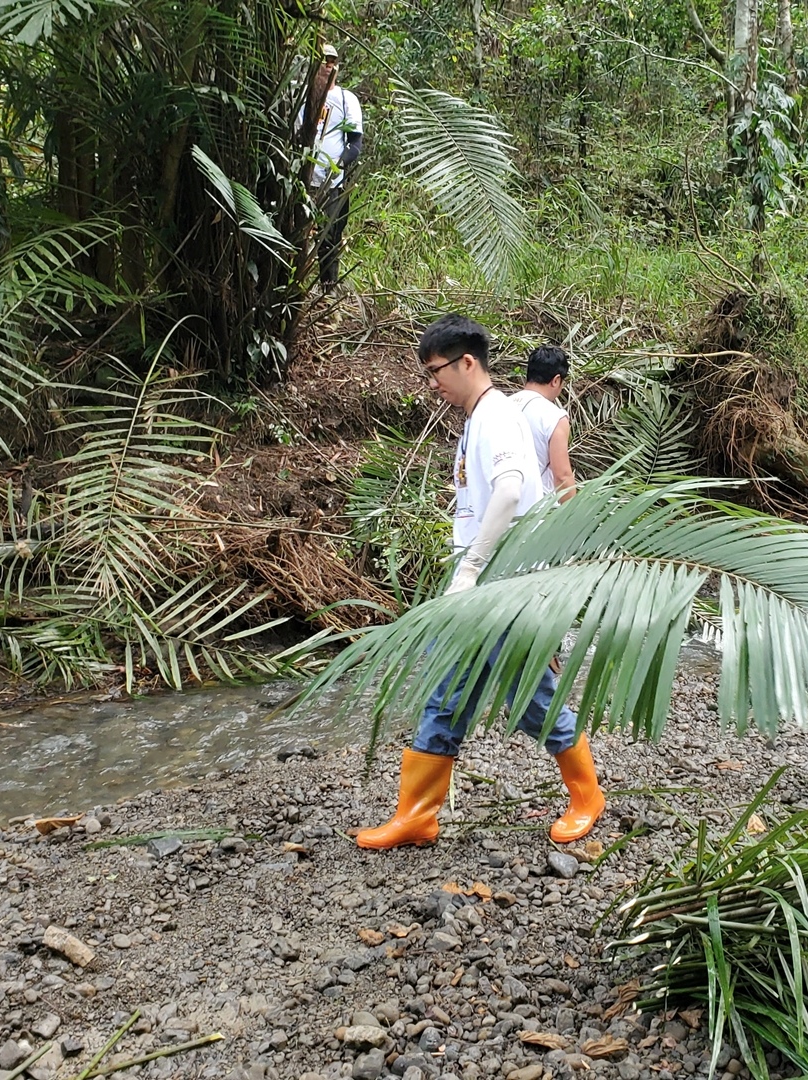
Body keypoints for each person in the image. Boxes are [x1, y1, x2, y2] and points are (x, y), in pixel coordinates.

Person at [355, 315, 607, 850]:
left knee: (532, 696)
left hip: (500, 583)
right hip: (480, 583)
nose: (431, 383)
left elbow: (513, 489)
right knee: (445, 692)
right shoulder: (480, 417)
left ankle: (587, 796)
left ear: (467, 362)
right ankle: (418, 814)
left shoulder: (495, 415)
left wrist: (470, 569)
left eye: (435, 371)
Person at [308, 43, 362, 289]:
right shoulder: (301, 94)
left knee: (329, 239)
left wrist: (337, 166)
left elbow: (354, 145)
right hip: (302, 179)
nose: (329, 65)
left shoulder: (345, 98)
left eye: (333, 61)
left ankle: (326, 290)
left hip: (331, 182)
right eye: (324, 61)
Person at [509, 344, 578, 502]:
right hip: (535, 512)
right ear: (556, 380)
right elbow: (561, 476)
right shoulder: (554, 416)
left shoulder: (499, 406)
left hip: (495, 510)